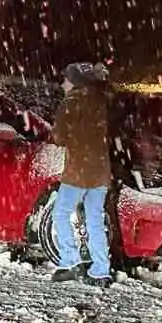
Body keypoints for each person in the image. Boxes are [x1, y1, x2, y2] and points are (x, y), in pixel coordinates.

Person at [48, 61, 114, 284]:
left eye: (66, 79)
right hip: (101, 171)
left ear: (74, 81)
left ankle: (70, 261)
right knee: (95, 219)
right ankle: (101, 269)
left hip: (78, 170)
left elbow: (58, 137)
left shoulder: (71, 103)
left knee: (60, 213)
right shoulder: (100, 102)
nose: (63, 83)